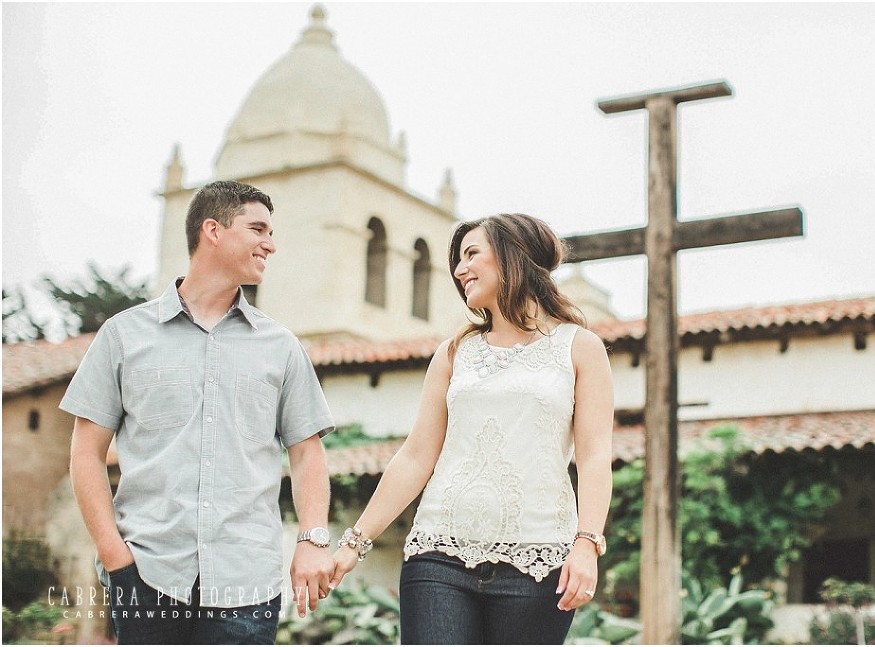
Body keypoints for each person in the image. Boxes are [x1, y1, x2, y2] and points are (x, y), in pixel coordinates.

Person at [63, 180, 336, 644]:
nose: (271, 244)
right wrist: (115, 556)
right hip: (146, 576)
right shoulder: (123, 336)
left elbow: (307, 453)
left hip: (246, 584)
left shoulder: (281, 347)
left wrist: (312, 539)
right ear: (213, 230)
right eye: (258, 229)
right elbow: (86, 453)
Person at [330, 213, 614, 644]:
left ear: (511, 256)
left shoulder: (580, 348)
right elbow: (417, 454)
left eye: (471, 254)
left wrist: (587, 544)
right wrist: (355, 542)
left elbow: (594, 457)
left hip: (536, 564)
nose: (460, 270)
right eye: (457, 260)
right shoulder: (454, 353)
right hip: (438, 554)